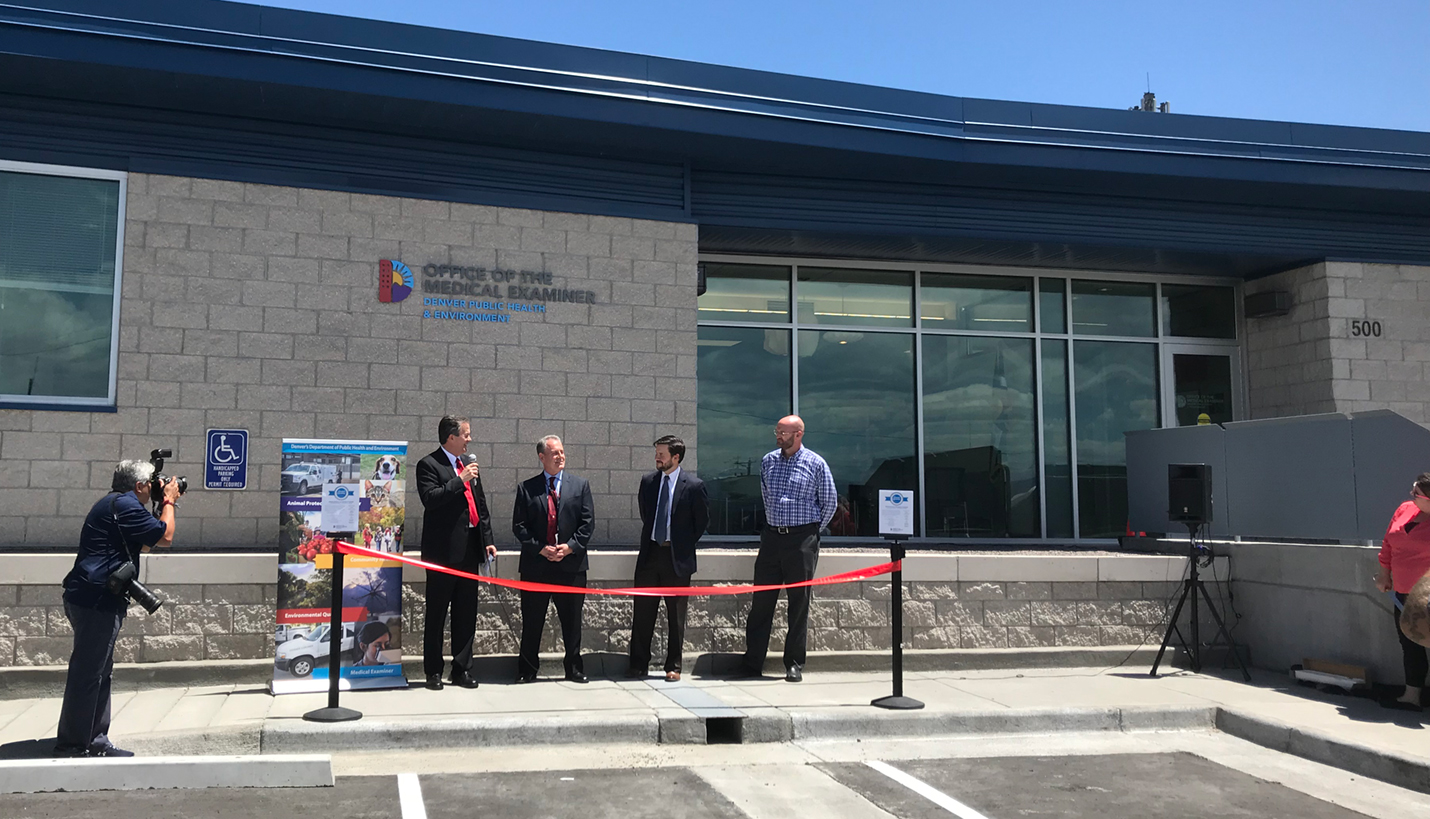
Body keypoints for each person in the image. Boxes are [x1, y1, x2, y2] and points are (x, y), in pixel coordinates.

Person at [55, 459, 179, 757]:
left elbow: (146, 544)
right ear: (139, 486)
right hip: (96, 600)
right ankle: (73, 744)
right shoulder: (124, 505)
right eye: (152, 483)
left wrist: (161, 504)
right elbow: (165, 537)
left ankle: (95, 741)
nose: (155, 488)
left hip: (93, 598)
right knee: (88, 673)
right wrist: (170, 502)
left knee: (99, 671)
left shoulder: (118, 505)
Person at [736, 415, 836, 683]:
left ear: (798, 434)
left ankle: (793, 664)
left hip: (802, 540)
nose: (778, 436)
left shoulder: (816, 464)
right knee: (761, 602)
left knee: (798, 603)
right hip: (771, 539)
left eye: (783, 432)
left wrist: (810, 532)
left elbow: (829, 503)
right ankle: (752, 661)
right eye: (777, 432)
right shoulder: (768, 461)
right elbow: (767, 495)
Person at [415, 415, 496, 691]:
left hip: (469, 551)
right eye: (466, 434)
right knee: (437, 614)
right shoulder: (429, 464)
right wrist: (459, 480)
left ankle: (461, 669)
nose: (469, 440)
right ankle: (433, 671)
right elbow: (431, 499)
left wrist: (487, 539)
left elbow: (480, 506)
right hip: (442, 554)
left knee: (466, 613)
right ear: (451, 437)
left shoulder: (468, 466)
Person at [512, 435, 595, 683]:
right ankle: (527, 670)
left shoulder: (580, 486)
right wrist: (540, 548)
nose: (560, 456)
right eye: (554, 453)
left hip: (570, 567)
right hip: (537, 566)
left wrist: (569, 548)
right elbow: (519, 526)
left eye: (562, 452)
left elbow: (587, 524)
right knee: (533, 621)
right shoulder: (527, 488)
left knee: (571, 622)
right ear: (542, 457)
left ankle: (574, 668)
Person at [627, 435, 709, 682]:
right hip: (650, 555)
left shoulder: (694, 486)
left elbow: (701, 522)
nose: (657, 458)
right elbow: (646, 514)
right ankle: (638, 664)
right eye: (656, 453)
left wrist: (680, 544)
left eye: (661, 454)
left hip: (677, 559)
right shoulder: (648, 482)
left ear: (676, 457)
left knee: (676, 617)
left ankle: (673, 666)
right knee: (642, 614)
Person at [1375, 473, 1430, 710]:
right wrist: (1385, 575)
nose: (1411, 496)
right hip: (1403, 594)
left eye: (1415, 493)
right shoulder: (1405, 509)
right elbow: (1388, 543)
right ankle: (1412, 696)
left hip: (1427, 594)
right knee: (1410, 643)